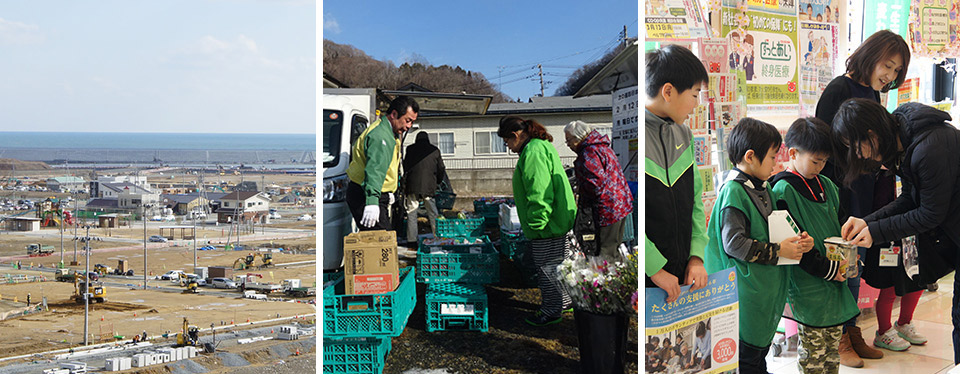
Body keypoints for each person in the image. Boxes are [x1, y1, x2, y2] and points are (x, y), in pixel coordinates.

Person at [815, 29, 911, 368]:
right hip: (842, 192)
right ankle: (841, 337)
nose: (890, 75)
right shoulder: (840, 89)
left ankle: (852, 331)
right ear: (870, 55)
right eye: (887, 65)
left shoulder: (874, 93)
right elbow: (822, 147)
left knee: (857, 262)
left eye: (896, 71)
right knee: (844, 264)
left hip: (868, 190)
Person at [834, 99, 955, 360]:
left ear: (871, 135)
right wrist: (867, 221)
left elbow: (930, 214)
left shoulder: (928, 149)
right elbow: (909, 199)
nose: (860, 155)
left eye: (857, 147)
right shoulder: (908, 141)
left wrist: (875, 232)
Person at [703, 117, 814, 374]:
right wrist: (779, 252)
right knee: (748, 358)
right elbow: (734, 244)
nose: (777, 163)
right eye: (773, 157)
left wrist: (798, 240)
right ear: (751, 156)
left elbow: (774, 228)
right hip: (746, 293)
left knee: (757, 355)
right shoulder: (734, 191)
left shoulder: (762, 188)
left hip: (762, 291)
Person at [770, 117, 860, 374]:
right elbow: (795, 246)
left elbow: (841, 225)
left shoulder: (828, 186)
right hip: (809, 282)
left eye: (824, 161)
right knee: (814, 354)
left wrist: (849, 256)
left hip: (834, 279)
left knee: (831, 351)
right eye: (815, 161)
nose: (819, 167)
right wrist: (830, 269)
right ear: (793, 153)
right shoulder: (782, 190)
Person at [645, 44, 710, 305]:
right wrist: (654, 269)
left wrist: (696, 257)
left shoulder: (684, 134)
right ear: (668, 91)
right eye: (695, 95)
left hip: (684, 277)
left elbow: (695, 201)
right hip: (651, 279)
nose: (696, 105)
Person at [498, 116, 576, 326]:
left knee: (548, 269)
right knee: (559, 268)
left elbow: (539, 192)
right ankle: (564, 303)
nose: (508, 147)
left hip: (548, 225)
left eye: (507, 142)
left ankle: (551, 312)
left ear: (516, 135)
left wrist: (536, 224)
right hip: (557, 221)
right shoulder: (541, 146)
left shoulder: (532, 151)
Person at [345, 95, 418, 231]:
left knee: (382, 241)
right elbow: (375, 170)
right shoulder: (381, 137)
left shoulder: (389, 133)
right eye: (407, 121)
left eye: (412, 122)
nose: (409, 126)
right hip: (367, 195)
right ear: (394, 114)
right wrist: (372, 202)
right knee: (381, 243)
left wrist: (389, 191)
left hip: (375, 193)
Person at [563, 120, 633, 260]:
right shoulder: (601, 146)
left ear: (578, 138)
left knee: (605, 254)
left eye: (568, 141)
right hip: (620, 205)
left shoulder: (589, 152)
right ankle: (620, 277)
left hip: (607, 209)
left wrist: (581, 190)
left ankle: (609, 281)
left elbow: (595, 184)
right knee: (614, 248)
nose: (568, 145)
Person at [401, 131, 446, 245]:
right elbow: (441, 168)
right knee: (432, 212)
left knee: (412, 212)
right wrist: (438, 181)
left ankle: (411, 240)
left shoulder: (410, 149)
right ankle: (438, 236)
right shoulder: (434, 150)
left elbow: (405, 166)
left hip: (412, 185)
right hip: (429, 186)